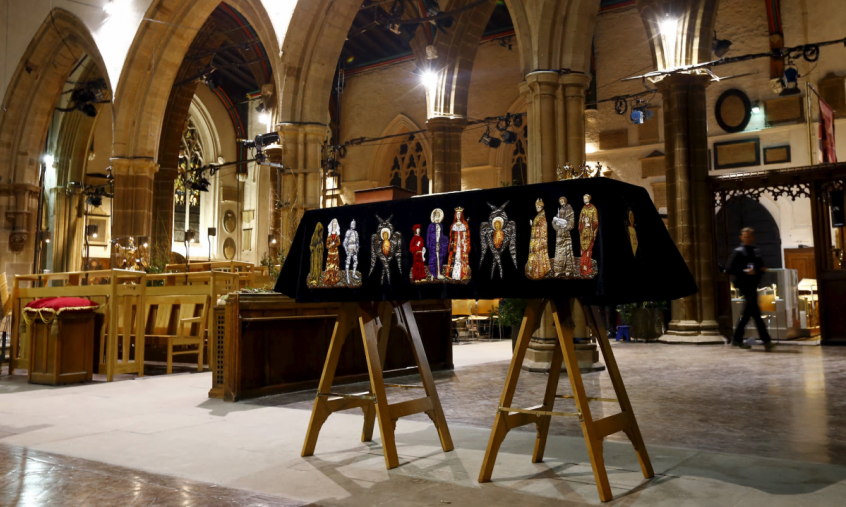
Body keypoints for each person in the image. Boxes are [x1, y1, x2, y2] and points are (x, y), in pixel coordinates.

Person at [727, 227, 775, 351]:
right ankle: (766, 341)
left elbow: (759, 266)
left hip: (753, 285)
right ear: (741, 237)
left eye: (749, 236)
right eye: (745, 236)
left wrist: (760, 270)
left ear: (752, 237)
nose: (747, 238)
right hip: (744, 285)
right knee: (755, 314)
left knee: (749, 314)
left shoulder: (755, 251)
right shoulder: (738, 252)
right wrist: (745, 271)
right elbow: (730, 269)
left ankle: (737, 339)